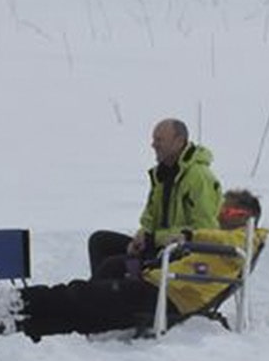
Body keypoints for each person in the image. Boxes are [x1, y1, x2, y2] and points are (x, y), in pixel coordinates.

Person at [0, 190, 266, 340]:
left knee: (81, 294)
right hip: (159, 288)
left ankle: (11, 302)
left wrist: (191, 235)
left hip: (168, 299)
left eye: (228, 210)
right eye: (222, 209)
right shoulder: (226, 242)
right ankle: (18, 323)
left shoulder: (245, 238)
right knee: (88, 311)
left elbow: (226, 240)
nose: (221, 214)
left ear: (246, 216)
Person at [86, 118, 222, 279]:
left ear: (179, 141)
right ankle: (108, 293)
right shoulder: (161, 174)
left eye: (159, 140)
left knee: (113, 266)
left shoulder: (199, 177)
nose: (153, 145)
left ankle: (119, 291)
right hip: (156, 249)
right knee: (99, 241)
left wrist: (155, 239)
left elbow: (205, 230)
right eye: (153, 139)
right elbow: (150, 218)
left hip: (178, 257)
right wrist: (141, 236)